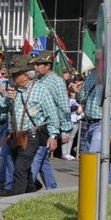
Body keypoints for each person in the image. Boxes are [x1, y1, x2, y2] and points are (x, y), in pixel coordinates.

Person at [0, 57, 58, 197]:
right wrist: (7, 99)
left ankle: (15, 197)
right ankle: (31, 187)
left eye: (15, 74)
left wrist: (53, 136)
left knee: (19, 168)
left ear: (26, 76)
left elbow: (52, 115)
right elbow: (2, 111)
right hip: (14, 135)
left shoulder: (41, 90)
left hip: (31, 136)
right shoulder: (13, 90)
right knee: (24, 168)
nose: (11, 77)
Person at [27, 53, 74, 190]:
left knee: (36, 159)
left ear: (47, 66)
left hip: (48, 127)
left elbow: (63, 106)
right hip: (35, 124)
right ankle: (52, 189)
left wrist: (65, 130)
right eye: (34, 65)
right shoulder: (35, 80)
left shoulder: (56, 81)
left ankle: (27, 189)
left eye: (38, 64)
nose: (35, 67)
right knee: (43, 161)